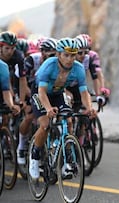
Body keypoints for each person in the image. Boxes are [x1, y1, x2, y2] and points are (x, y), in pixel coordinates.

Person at [28, 37, 97, 179]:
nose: (70, 59)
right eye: (66, 55)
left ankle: (66, 160)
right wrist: (48, 108)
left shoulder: (78, 68)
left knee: (69, 121)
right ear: (58, 54)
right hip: (40, 92)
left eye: (73, 55)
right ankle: (34, 156)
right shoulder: (49, 65)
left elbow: (84, 92)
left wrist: (89, 108)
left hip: (58, 94)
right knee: (46, 124)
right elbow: (41, 92)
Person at [16, 37, 57, 165]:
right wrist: (24, 101)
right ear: (42, 52)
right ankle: (22, 145)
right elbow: (22, 82)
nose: (53, 56)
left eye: (55, 53)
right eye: (50, 53)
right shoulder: (31, 60)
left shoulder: (56, 62)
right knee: (30, 115)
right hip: (26, 87)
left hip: (43, 89)